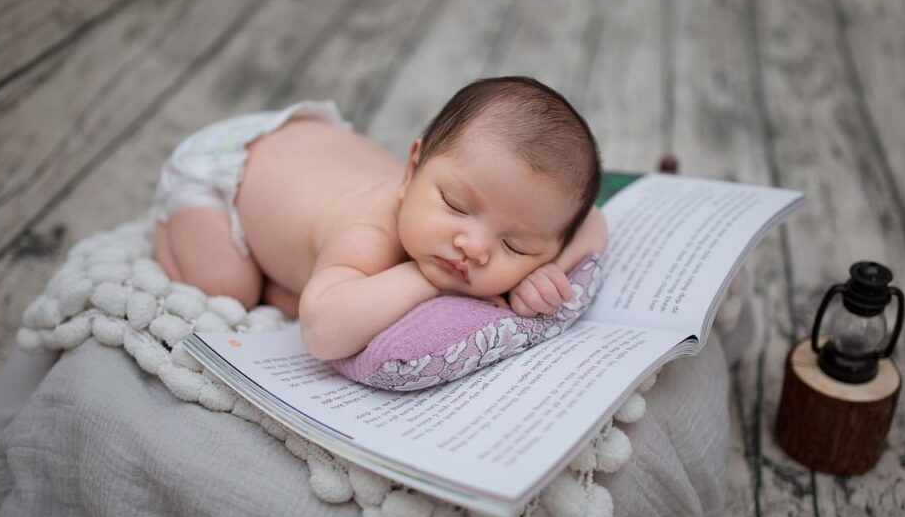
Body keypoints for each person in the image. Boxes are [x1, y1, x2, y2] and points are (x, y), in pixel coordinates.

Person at [152, 76, 608, 360]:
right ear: (412, 170)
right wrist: (426, 280)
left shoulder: (485, 212)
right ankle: (164, 225)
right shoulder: (369, 231)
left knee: (309, 289)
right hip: (228, 166)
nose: (473, 247)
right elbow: (322, 334)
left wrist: (545, 271)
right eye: (455, 205)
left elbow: (592, 223)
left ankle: (288, 273)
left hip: (310, 153)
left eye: (515, 245)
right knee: (230, 286)